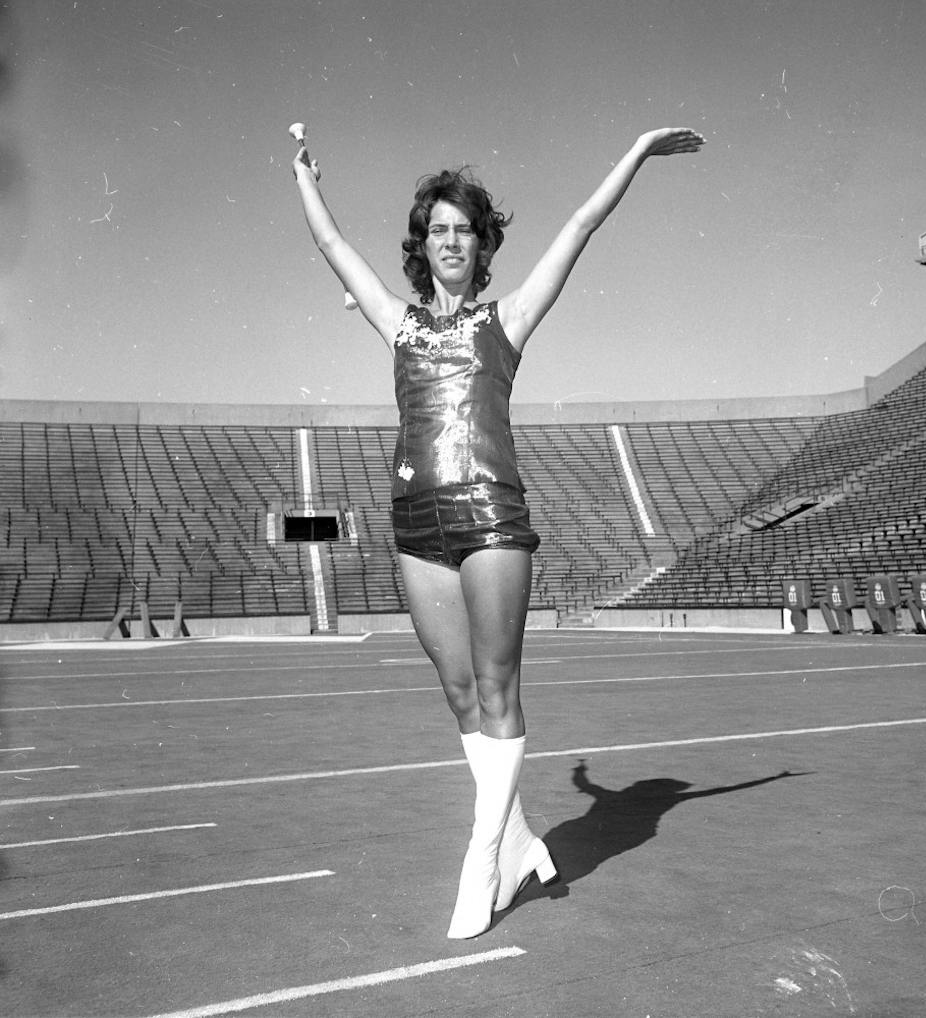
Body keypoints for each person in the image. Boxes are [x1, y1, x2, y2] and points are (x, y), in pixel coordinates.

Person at [292, 126, 705, 938]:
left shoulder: (507, 320)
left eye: (464, 230)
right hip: (416, 523)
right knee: (457, 695)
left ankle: (482, 858)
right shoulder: (397, 323)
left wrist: (639, 149)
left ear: (482, 247)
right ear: (424, 245)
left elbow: (581, 224)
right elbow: (331, 240)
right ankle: (518, 841)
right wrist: (303, 175)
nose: (451, 240)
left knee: (496, 690)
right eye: (437, 229)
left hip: (488, 518)